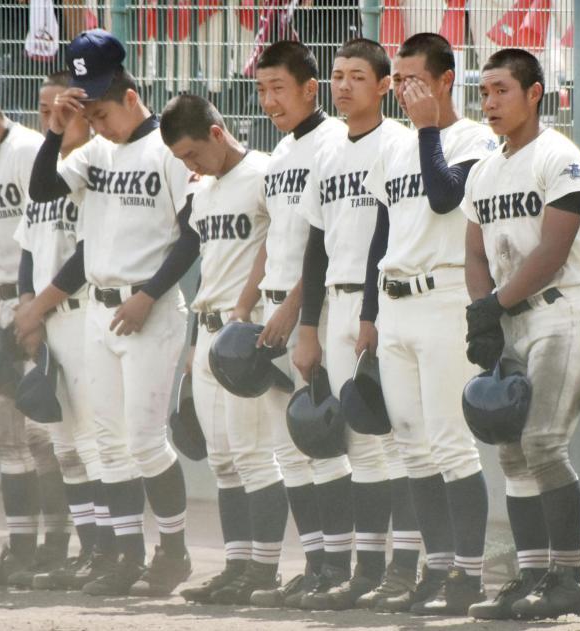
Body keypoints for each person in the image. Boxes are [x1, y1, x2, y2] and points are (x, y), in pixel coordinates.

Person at [23, 29, 194, 597]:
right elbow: (44, 190)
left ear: (128, 95)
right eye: (83, 109)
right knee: (108, 441)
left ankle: (173, 554)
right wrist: (55, 133)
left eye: (97, 108)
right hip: (99, 310)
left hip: (150, 308)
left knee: (144, 442)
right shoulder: (93, 150)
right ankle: (126, 555)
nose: (92, 120)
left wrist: (150, 293)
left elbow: (192, 236)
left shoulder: (168, 149)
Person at [358, 32, 496, 615]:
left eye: (418, 79)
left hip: (443, 298)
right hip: (396, 305)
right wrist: (368, 314)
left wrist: (427, 130)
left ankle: (469, 574)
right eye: (402, 79)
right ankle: (436, 569)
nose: (407, 89)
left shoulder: (475, 137)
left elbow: (446, 197)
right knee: (412, 449)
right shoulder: (392, 149)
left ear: (446, 80)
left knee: (451, 445)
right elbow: (381, 235)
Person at [461, 47, 580, 621]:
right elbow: (474, 251)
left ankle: (569, 579)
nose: (490, 101)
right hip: (512, 317)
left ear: (535, 92)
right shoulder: (484, 168)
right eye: (485, 91)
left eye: (502, 90)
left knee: (543, 444)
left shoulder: (559, 156)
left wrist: (493, 304)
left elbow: (553, 250)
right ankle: (532, 576)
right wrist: (484, 310)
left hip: (560, 311)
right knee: (513, 453)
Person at [292, 38, 422, 611]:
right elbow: (315, 247)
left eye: (358, 77)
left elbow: (387, 236)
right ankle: (367, 571)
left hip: (384, 305)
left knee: (400, 443)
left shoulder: (398, 143)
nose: (344, 86)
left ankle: (407, 569)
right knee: (362, 447)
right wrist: (308, 324)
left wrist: (370, 313)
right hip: (336, 306)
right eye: (338, 76)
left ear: (385, 85)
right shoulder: (327, 153)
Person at [158, 94, 290, 605]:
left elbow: (278, 244)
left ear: (216, 133)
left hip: (247, 332)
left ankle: (264, 569)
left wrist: (247, 310)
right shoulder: (206, 188)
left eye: (193, 153)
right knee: (223, 462)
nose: (190, 165)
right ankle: (236, 566)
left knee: (255, 457)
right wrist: (193, 348)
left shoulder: (262, 173)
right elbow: (206, 268)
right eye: (181, 159)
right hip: (209, 331)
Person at [240, 40, 355, 610]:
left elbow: (328, 242)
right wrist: (253, 308)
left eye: (277, 88)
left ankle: (338, 566)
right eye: (261, 89)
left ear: (311, 88)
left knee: (323, 442)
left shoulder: (335, 145)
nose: (267, 100)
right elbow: (275, 242)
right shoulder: (282, 152)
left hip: (314, 312)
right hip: (274, 311)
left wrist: (293, 310)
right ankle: (315, 564)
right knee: (290, 451)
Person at [13, 71, 119, 592]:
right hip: (48, 320)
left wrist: (38, 309)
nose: (51, 118)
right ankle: (88, 548)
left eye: (63, 109)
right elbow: (30, 248)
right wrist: (28, 308)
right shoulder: (45, 173)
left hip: (83, 314)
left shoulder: (95, 171)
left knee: (94, 442)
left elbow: (85, 256)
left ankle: (109, 550)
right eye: (43, 109)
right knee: (64, 445)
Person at [0, 104, 73, 589]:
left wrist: (31, 310)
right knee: (10, 440)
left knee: (44, 439)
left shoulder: (27, 151)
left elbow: (33, 242)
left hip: (23, 305)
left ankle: (57, 545)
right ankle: (21, 547)